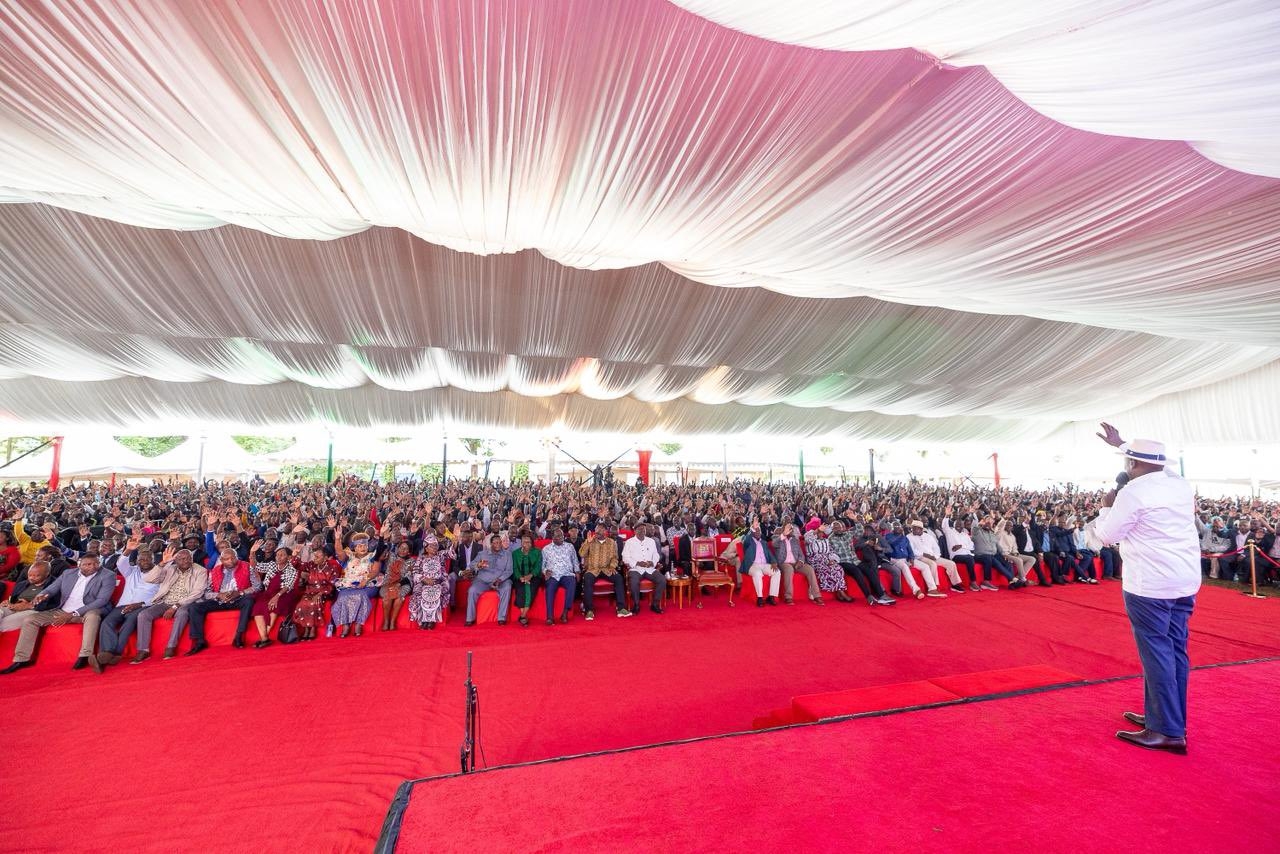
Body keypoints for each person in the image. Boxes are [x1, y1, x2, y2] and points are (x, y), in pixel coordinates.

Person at [1092, 424, 1199, 754]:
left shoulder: (1132, 493)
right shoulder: (1179, 484)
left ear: (1131, 464)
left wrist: (1106, 507)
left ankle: (1166, 730)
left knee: (1157, 655)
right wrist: (1124, 445)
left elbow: (1107, 536)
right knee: (1175, 651)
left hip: (1150, 585)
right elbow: (1152, 463)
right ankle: (1166, 717)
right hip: (1184, 581)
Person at [2, 553, 116, 673]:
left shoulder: (108, 575)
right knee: (30, 620)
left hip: (88, 609)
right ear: (79, 565)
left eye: (96, 563)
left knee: (93, 616)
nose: (92, 566)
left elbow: (102, 600)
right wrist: (42, 595)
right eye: (87, 564)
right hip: (63, 610)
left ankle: (85, 655)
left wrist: (73, 614)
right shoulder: (68, 573)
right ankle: (22, 659)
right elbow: (52, 588)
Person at [92, 536, 160, 672]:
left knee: (129, 622)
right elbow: (121, 563)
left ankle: (114, 653)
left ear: (153, 560)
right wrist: (128, 549)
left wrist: (140, 604)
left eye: (148, 559)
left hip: (142, 606)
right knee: (106, 622)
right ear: (137, 561)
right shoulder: (132, 571)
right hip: (122, 605)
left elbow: (160, 596)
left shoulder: (159, 573)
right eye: (141, 559)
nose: (144, 562)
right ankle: (107, 653)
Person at [132, 548, 208, 662]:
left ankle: (171, 646)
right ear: (175, 561)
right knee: (143, 615)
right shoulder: (170, 568)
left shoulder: (200, 570)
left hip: (186, 602)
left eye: (188, 558)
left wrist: (176, 606)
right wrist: (163, 563)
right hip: (166, 601)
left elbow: (198, 592)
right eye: (182, 559)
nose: (186, 561)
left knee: (182, 614)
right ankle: (143, 650)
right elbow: (149, 579)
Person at [186, 547, 260, 654]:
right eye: (226, 559)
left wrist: (240, 593)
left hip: (238, 599)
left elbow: (257, 586)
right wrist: (219, 595)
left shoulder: (247, 566)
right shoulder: (214, 571)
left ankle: (239, 636)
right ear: (221, 560)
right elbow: (206, 592)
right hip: (219, 601)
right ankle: (199, 641)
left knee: (248, 601)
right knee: (194, 607)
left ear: (237, 557)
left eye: (233, 558)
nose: (230, 561)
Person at [249, 545, 301, 648]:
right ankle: (264, 638)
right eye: (277, 555)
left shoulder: (292, 570)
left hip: (284, 594)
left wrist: (277, 597)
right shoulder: (272, 565)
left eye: (282, 555)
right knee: (258, 606)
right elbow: (255, 565)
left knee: (275, 606)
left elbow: (288, 586)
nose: (278, 557)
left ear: (288, 557)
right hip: (268, 593)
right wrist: (252, 552)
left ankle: (264, 638)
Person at [332, 532, 379, 637]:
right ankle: (345, 625)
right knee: (342, 596)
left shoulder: (372, 556)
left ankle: (358, 624)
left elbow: (375, 571)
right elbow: (339, 553)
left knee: (361, 595)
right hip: (349, 584)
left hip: (367, 584)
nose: (363, 548)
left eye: (365, 545)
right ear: (354, 547)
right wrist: (338, 539)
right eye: (360, 546)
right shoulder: (349, 556)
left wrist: (365, 579)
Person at [579, 523, 629, 620]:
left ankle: (621, 608)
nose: (597, 532)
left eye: (600, 529)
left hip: (607, 569)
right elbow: (581, 554)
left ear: (605, 531)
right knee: (587, 579)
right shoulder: (590, 540)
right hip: (593, 569)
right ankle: (589, 610)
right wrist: (587, 542)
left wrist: (612, 566)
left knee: (619, 578)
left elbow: (615, 557)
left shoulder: (611, 542)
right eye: (596, 529)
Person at [464, 533, 514, 626]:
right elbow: (471, 565)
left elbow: (509, 570)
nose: (498, 544)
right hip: (483, 580)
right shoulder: (482, 554)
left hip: (500, 581)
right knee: (472, 590)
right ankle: (470, 618)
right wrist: (478, 565)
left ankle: (501, 618)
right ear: (491, 544)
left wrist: (500, 579)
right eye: (495, 543)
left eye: (499, 542)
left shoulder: (508, 554)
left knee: (507, 587)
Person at [770, 523, 823, 605]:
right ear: (783, 530)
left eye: (791, 529)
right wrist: (784, 534)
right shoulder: (777, 538)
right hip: (784, 563)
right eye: (788, 529)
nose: (790, 531)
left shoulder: (795, 540)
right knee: (789, 569)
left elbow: (801, 554)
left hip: (796, 563)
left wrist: (801, 561)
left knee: (809, 569)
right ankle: (788, 597)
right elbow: (774, 544)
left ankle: (816, 595)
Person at [293, 549, 339, 641]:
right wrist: (295, 556)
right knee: (301, 604)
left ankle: (313, 628)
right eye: (315, 556)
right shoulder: (312, 565)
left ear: (325, 558)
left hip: (325, 592)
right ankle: (306, 629)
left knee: (314, 603)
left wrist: (320, 594)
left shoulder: (332, 568)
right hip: (310, 592)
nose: (315, 558)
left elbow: (333, 584)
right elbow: (298, 566)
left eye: (318, 557)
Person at [802, 524, 856, 603]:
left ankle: (839, 592)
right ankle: (842, 593)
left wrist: (832, 560)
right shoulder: (810, 540)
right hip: (815, 561)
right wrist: (817, 530)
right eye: (819, 532)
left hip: (827, 560)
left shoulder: (826, 541)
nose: (821, 533)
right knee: (828, 569)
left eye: (822, 532)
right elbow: (807, 538)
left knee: (838, 569)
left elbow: (831, 552)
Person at [908, 519, 963, 594]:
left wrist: (935, 556)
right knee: (932, 564)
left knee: (951, 563)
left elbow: (936, 548)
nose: (912, 530)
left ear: (921, 529)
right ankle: (934, 587)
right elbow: (912, 550)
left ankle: (955, 584)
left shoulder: (929, 536)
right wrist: (925, 554)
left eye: (914, 528)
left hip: (933, 556)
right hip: (920, 557)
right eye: (912, 528)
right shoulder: (909, 537)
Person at [622, 523, 666, 614]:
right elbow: (625, 557)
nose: (642, 531)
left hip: (650, 569)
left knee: (662, 579)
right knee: (634, 581)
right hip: (636, 569)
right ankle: (636, 605)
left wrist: (652, 562)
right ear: (635, 531)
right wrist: (637, 563)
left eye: (644, 529)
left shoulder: (651, 541)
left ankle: (655, 604)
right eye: (640, 529)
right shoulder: (629, 542)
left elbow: (656, 555)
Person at [407, 537, 449, 629]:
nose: (434, 548)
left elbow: (451, 553)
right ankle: (423, 620)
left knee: (435, 591)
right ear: (426, 548)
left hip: (438, 581)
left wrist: (455, 541)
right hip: (423, 581)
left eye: (436, 545)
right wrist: (424, 579)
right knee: (418, 592)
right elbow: (415, 572)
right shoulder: (421, 558)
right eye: (432, 546)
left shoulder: (440, 555)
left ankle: (431, 620)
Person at [540, 527, 579, 624]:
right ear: (552, 537)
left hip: (567, 574)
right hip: (553, 575)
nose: (561, 537)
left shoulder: (570, 546)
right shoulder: (546, 549)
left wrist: (577, 572)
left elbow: (575, 560)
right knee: (550, 589)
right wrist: (545, 571)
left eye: (561, 535)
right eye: (558, 536)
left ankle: (565, 613)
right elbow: (542, 565)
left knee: (572, 582)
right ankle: (550, 617)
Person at [0, 561, 51, 633]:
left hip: (32, 610)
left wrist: (29, 605)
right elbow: (12, 598)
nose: (31, 578)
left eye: (36, 576)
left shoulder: (53, 586)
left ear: (47, 574)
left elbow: (52, 605)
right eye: (29, 575)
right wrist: (8, 602)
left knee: (2, 624)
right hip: (15, 606)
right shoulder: (22, 584)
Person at [739, 521, 780, 606]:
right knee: (758, 573)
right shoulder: (748, 541)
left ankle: (771, 596)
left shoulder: (764, 542)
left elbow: (769, 553)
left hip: (764, 565)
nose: (758, 532)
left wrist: (773, 562)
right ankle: (760, 598)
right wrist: (753, 528)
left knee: (777, 572)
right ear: (752, 532)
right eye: (756, 531)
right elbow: (746, 539)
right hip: (752, 565)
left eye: (759, 531)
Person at [512, 532, 542, 626]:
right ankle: (523, 616)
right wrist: (520, 577)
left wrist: (530, 576)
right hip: (519, 577)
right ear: (521, 543)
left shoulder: (537, 552)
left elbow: (538, 566)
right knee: (520, 590)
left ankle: (523, 616)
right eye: (524, 542)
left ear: (532, 542)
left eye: (528, 542)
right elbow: (515, 568)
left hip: (534, 576)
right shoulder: (515, 553)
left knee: (530, 590)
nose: (526, 544)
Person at [380, 540, 412, 630]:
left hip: (403, 584)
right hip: (388, 583)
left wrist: (399, 584)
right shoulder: (391, 556)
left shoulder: (411, 561)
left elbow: (409, 577)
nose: (403, 550)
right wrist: (384, 538)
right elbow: (380, 552)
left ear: (409, 552)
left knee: (399, 598)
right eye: (401, 548)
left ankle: (392, 622)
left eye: (406, 549)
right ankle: (386, 621)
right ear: (397, 548)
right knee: (387, 597)